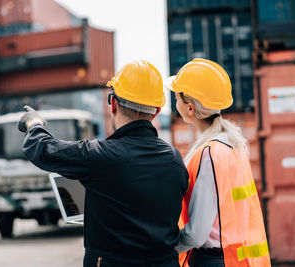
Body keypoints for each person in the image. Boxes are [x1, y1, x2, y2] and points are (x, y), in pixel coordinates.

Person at [18, 59, 189, 267]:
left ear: (114, 103)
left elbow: (42, 149)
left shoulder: (99, 156)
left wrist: (34, 123)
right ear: (156, 111)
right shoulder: (174, 160)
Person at [165, 58, 271, 267]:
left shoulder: (209, 154)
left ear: (190, 109)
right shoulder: (234, 145)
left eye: (177, 97)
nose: (175, 103)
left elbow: (197, 233)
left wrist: (167, 248)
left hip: (213, 260)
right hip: (237, 259)